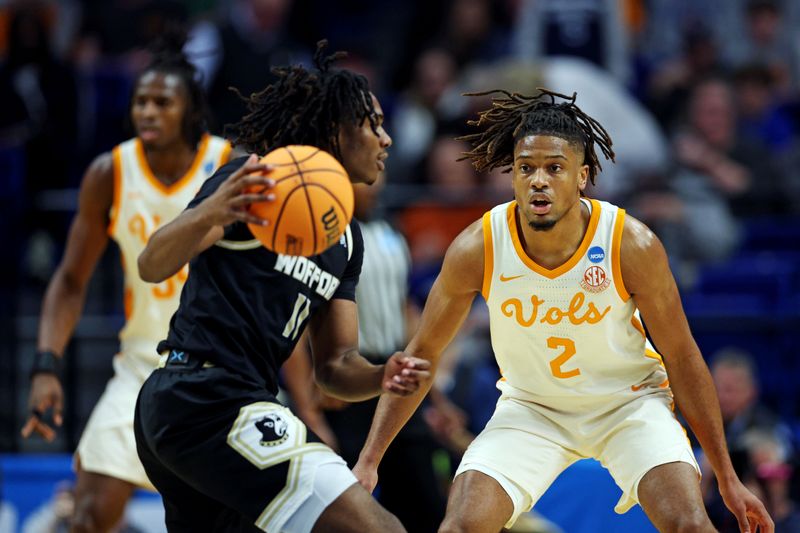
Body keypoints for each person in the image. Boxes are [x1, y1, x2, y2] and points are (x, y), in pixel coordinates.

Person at [353, 88, 774, 533]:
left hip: (627, 404)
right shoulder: (478, 246)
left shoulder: (630, 244)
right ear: (512, 176)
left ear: (583, 175)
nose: (539, 180)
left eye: (555, 168)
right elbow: (422, 355)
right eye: (526, 168)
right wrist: (369, 460)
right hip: (532, 409)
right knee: (459, 525)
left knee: (690, 523)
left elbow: (683, 356)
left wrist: (727, 478)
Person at [133, 43, 428, 533]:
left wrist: (381, 375)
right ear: (337, 131)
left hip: (229, 404)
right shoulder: (257, 182)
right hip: (203, 397)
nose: (387, 139)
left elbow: (334, 367)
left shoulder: (348, 239)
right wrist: (212, 210)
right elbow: (152, 263)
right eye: (373, 125)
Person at [21, 33, 232, 533]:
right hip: (141, 364)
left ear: (191, 110)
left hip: (218, 366)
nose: (148, 111)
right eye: (141, 101)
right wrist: (46, 364)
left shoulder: (228, 165)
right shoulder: (110, 172)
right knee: (88, 516)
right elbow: (71, 280)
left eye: (163, 102)